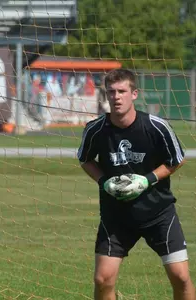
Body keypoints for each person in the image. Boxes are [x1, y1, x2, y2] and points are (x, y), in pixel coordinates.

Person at [77, 68, 195, 300]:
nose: (116, 97)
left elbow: (177, 160)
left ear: (135, 94)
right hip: (116, 217)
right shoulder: (96, 129)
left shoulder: (156, 127)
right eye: (111, 92)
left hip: (159, 214)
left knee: (180, 277)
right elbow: (85, 160)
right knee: (103, 279)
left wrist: (146, 180)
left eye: (122, 91)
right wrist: (104, 182)